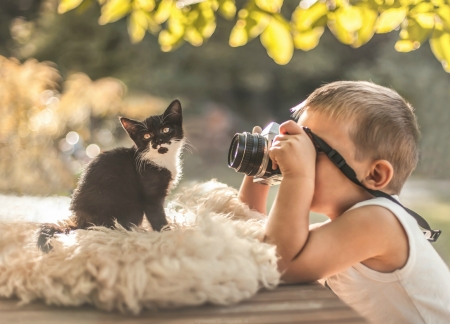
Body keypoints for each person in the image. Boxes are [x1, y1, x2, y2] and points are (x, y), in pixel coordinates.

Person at [238, 81, 450, 323]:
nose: (300, 155)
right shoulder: (350, 227)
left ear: (375, 175)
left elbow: (279, 265)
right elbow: (263, 248)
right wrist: (261, 170)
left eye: (313, 149)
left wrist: (298, 175)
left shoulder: (381, 222)